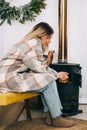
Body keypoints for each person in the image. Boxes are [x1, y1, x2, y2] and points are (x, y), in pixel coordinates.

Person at [0, 22, 75, 127]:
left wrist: (54, 74)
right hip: (9, 78)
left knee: (47, 79)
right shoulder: (34, 43)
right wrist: (57, 75)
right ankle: (56, 117)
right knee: (48, 80)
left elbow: (36, 67)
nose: (49, 41)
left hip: (7, 77)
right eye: (48, 37)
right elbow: (39, 68)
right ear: (41, 35)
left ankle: (50, 116)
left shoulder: (28, 43)